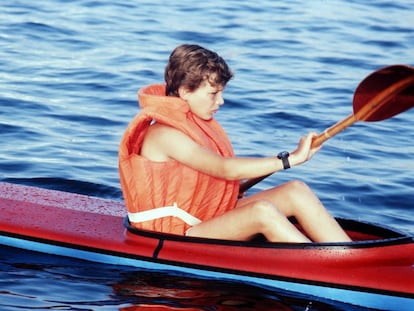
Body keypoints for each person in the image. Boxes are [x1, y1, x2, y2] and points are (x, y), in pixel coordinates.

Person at [119, 44, 351, 243]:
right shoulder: (164, 135)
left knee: (295, 191)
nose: (221, 100)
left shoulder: (194, 122)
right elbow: (224, 169)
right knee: (262, 212)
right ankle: (330, 271)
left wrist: (293, 156)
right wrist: (289, 160)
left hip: (204, 217)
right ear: (184, 91)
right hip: (175, 234)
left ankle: (350, 258)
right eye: (213, 93)